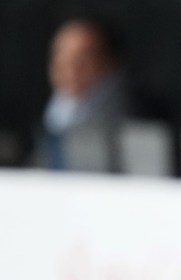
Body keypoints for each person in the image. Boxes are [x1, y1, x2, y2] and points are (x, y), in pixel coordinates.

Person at [36, 17, 130, 173]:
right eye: (61, 56)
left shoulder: (129, 112)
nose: (70, 66)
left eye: (82, 57)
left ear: (109, 62)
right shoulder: (50, 112)